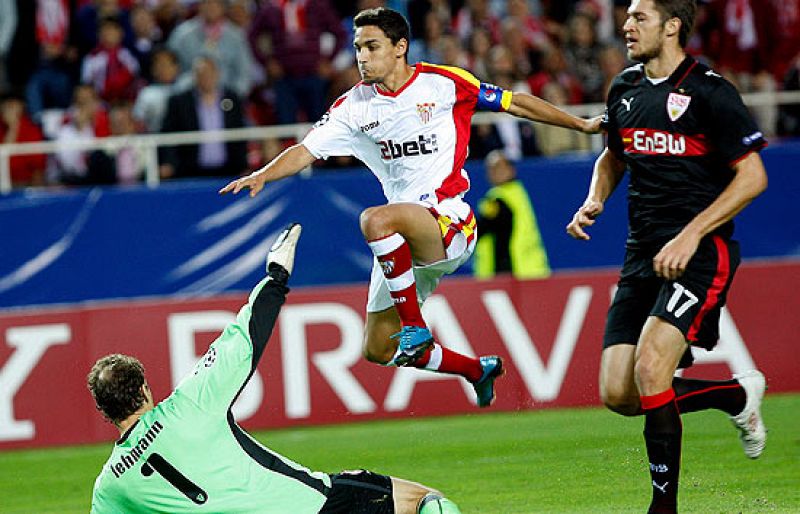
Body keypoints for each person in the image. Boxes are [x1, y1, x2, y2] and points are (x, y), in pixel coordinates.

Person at [221, 7, 601, 408]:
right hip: (401, 246)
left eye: (372, 46)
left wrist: (582, 125)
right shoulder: (353, 106)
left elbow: (514, 102)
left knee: (375, 219)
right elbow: (306, 150)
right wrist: (263, 173)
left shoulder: (444, 83)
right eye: (357, 48)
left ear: (400, 47)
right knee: (377, 348)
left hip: (448, 222)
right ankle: (477, 370)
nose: (362, 57)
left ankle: (417, 326)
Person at [89, 224, 463, 514]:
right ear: (143, 391)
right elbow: (244, 336)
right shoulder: (188, 407)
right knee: (422, 501)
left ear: (105, 411)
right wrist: (276, 277)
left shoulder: (110, 487)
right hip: (310, 507)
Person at [566, 1, 768, 512]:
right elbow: (614, 155)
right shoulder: (625, 88)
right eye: (628, 17)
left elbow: (753, 177)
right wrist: (595, 199)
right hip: (642, 256)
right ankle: (734, 397)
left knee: (652, 370)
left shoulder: (710, 91)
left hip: (700, 252)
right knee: (619, 393)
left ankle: (663, 507)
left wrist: (690, 235)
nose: (627, 26)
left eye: (639, 17)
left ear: (672, 25)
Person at [159, 55, 248, 179]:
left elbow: (240, 132)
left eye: (209, 73)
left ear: (217, 73)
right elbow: (168, 133)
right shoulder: (180, 102)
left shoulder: (232, 98)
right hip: (190, 172)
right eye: (201, 73)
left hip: (229, 171)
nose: (206, 77)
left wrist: (243, 165)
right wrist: (169, 162)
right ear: (194, 76)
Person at [473, 150, 550, 279]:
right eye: (491, 169)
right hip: (530, 270)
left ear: (511, 169)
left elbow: (479, 229)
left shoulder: (499, 200)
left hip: (512, 270)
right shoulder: (518, 194)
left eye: (499, 167)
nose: (495, 172)